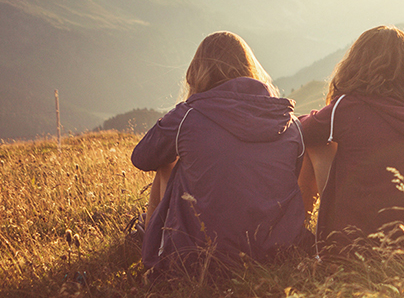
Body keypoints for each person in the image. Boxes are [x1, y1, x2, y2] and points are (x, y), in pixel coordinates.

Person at [130, 31, 307, 275]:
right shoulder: (289, 122)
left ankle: (151, 251)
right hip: (276, 253)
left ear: (198, 72)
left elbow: (142, 157)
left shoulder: (188, 116)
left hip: (200, 258)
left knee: (166, 163)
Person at [296, 26, 404, 252]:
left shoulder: (347, 107)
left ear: (356, 64)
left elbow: (300, 132)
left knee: (316, 143)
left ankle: (299, 234)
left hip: (362, 242)